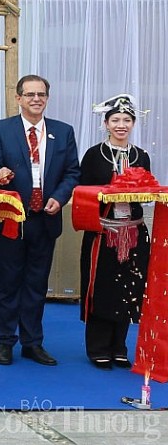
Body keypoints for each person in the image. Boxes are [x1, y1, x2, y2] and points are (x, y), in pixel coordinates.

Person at [0, 74, 80, 366]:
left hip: (46, 218)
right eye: (29, 95)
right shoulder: (1, 129)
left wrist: (61, 196)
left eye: (41, 94)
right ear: (18, 98)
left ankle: (32, 343)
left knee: (37, 284)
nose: (36, 99)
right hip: (12, 218)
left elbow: (72, 173)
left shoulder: (63, 132)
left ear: (47, 98)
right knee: (8, 283)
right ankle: (5, 342)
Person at [77, 94, 151, 370]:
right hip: (103, 233)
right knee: (102, 288)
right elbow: (83, 192)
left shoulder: (140, 156)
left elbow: (146, 193)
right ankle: (98, 348)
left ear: (133, 124)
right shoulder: (94, 155)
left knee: (128, 288)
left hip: (133, 233)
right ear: (106, 123)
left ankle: (119, 346)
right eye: (116, 120)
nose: (121, 125)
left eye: (127, 120)